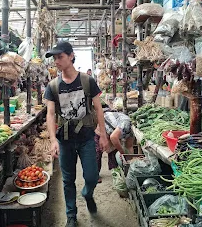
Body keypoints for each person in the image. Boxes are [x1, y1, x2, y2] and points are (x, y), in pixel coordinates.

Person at [44, 41, 108, 227]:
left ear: (71, 56)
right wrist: (53, 139)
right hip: (64, 140)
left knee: (91, 176)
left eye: (60, 57)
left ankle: (88, 194)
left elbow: (98, 109)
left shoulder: (87, 81)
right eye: (55, 58)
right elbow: (50, 113)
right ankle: (71, 215)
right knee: (67, 180)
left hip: (87, 138)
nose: (57, 61)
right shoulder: (53, 86)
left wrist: (103, 134)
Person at [94, 108, 134, 182]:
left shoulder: (132, 132)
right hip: (103, 126)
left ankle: (115, 171)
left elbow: (129, 146)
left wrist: (131, 161)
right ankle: (94, 175)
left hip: (112, 131)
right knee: (98, 151)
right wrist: (122, 152)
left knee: (113, 151)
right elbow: (113, 137)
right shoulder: (127, 124)